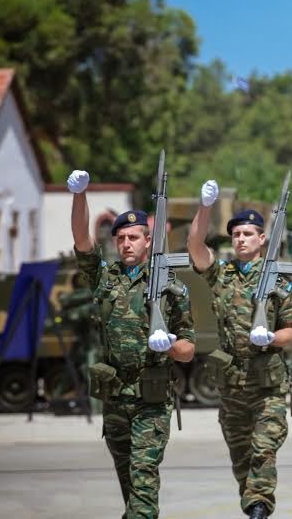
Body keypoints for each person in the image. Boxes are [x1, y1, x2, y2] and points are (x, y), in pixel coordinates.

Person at [67, 169, 196, 519]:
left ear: (148, 241)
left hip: (151, 401)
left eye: (134, 237)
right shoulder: (104, 278)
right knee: (128, 484)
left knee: (143, 480)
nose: (126, 243)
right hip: (114, 399)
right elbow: (81, 238)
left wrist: (168, 344)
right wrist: (80, 195)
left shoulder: (171, 288)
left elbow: (188, 350)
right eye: (120, 238)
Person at [187, 180, 292, 519]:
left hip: (268, 385)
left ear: (262, 239)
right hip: (232, 384)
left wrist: (271, 339)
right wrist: (205, 207)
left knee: (263, 450)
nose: (240, 239)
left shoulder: (279, 281)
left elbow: (290, 333)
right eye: (235, 234)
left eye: (248, 234)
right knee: (241, 458)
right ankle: (253, 505)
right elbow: (194, 244)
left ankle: (260, 506)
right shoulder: (220, 274)